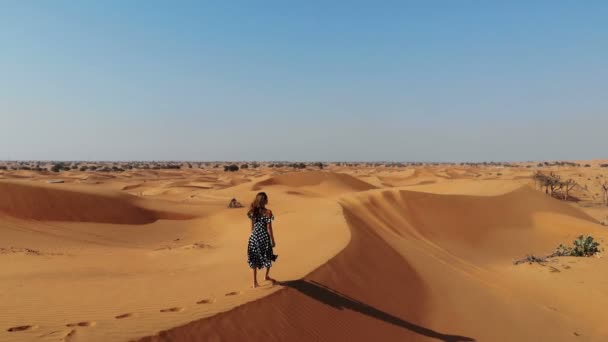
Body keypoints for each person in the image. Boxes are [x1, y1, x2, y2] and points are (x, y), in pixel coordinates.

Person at [247, 192, 278, 288]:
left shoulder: (252, 211)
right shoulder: (268, 212)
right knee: (268, 256)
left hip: (254, 237)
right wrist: (273, 240)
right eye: (267, 199)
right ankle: (266, 276)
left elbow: (252, 227)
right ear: (264, 201)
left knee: (254, 259)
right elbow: (269, 228)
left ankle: (254, 282)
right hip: (264, 237)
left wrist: (253, 237)